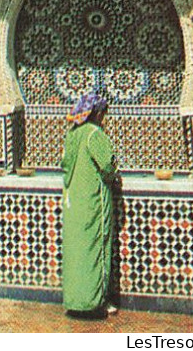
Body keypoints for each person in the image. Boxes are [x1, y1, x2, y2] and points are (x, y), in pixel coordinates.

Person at [61, 91, 119, 317]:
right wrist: (115, 174)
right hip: (93, 202)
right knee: (95, 249)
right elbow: (108, 165)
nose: (104, 118)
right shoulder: (94, 135)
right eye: (103, 113)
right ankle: (95, 302)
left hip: (74, 204)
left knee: (77, 252)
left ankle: (75, 300)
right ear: (96, 113)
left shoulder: (72, 135)